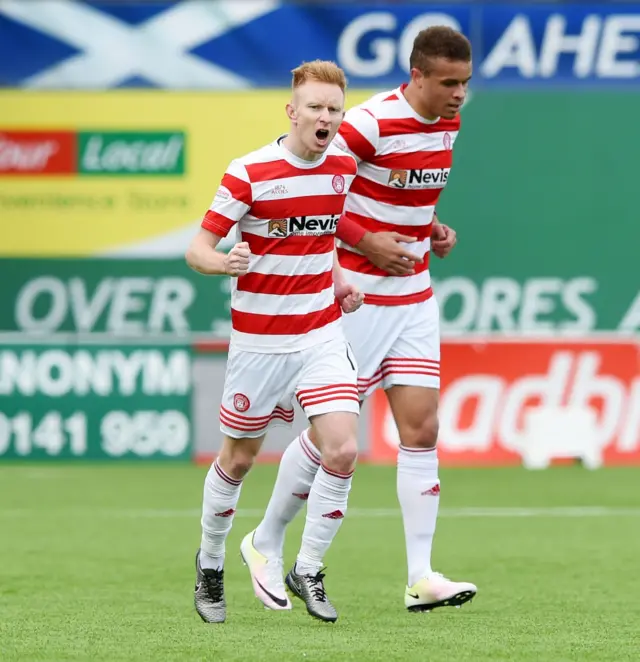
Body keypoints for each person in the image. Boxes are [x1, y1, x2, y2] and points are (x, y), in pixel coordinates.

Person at [242, 26, 478, 616]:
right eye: (448, 83)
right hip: (359, 299)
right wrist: (368, 242)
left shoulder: (448, 121)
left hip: (415, 296)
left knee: (421, 431)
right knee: (330, 440)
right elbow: (321, 192)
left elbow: (412, 195)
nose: (458, 95)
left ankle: (420, 576)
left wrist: (432, 230)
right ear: (417, 76)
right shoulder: (368, 123)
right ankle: (265, 539)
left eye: (465, 84)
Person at [186, 60, 365, 624]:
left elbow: (325, 237)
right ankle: (211, 562)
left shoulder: (341, 166)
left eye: (334, 109)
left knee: (342, 448)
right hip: (260, 342)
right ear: (291, 111)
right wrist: (224, 262)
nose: (325, 118)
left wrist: (337, 279)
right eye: (315, 107)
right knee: (238, 460)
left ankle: (307, 568)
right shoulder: (250, 172)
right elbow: (197, 250)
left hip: (319, 333)